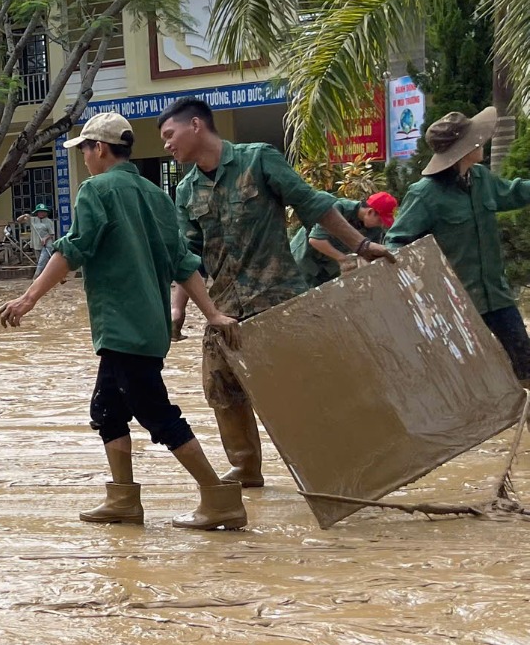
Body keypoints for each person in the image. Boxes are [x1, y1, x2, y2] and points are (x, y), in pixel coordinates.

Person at [0, 113, 247, 530]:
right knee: (107, 410)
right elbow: (182, 263)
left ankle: (220, 499)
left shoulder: (96, 190)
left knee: (157, 414)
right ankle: (124, 501)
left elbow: (73, 249)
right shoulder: (156, 195)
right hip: (146, 326)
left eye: (86, 151)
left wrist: (29, 298)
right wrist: (213, 313)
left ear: (99, 148)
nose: (85, 161)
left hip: (121, 326)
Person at [161, 98, 390, 488]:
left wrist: (362, 246)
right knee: (220, 387)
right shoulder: (186, 191)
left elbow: (314, 204)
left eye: (169, 135)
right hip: (225, 309)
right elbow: (189, 258)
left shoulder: (258, 160)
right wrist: (177, 308)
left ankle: (335, 470)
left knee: (301, 388)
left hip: (278, 299)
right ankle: (246, 468)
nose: (166, 144)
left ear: (196, 125)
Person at [386, 108, 530, 383]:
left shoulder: (480, 178)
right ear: (464, 149)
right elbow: (396, 243)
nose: (483, 142)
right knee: (466, 376)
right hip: (457, 302)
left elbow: (513, 192)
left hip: (496, 295)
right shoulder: (425, 194)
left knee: (525, 361)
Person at [293, 192, 398, 287]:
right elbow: (316, 240)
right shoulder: (337, 209)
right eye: (380, 220)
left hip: (328, 270)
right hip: (302, 262)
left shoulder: (374, 230)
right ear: (370, 212)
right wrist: (342, 259)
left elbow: (369, 254)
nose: (381, 224)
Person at [30, 205, 58, 276]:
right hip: (36, 244)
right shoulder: (33, 220)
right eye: (40, 212)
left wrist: (45, 238)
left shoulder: (48, 221)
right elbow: (19, 220)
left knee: (41, 264)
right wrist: (25, 215)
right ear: (37, 212)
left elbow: (52, 233)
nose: (42, 213)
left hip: (47, 245)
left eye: (43, 212)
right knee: (42, 263)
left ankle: (35, 279)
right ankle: (47, 277)